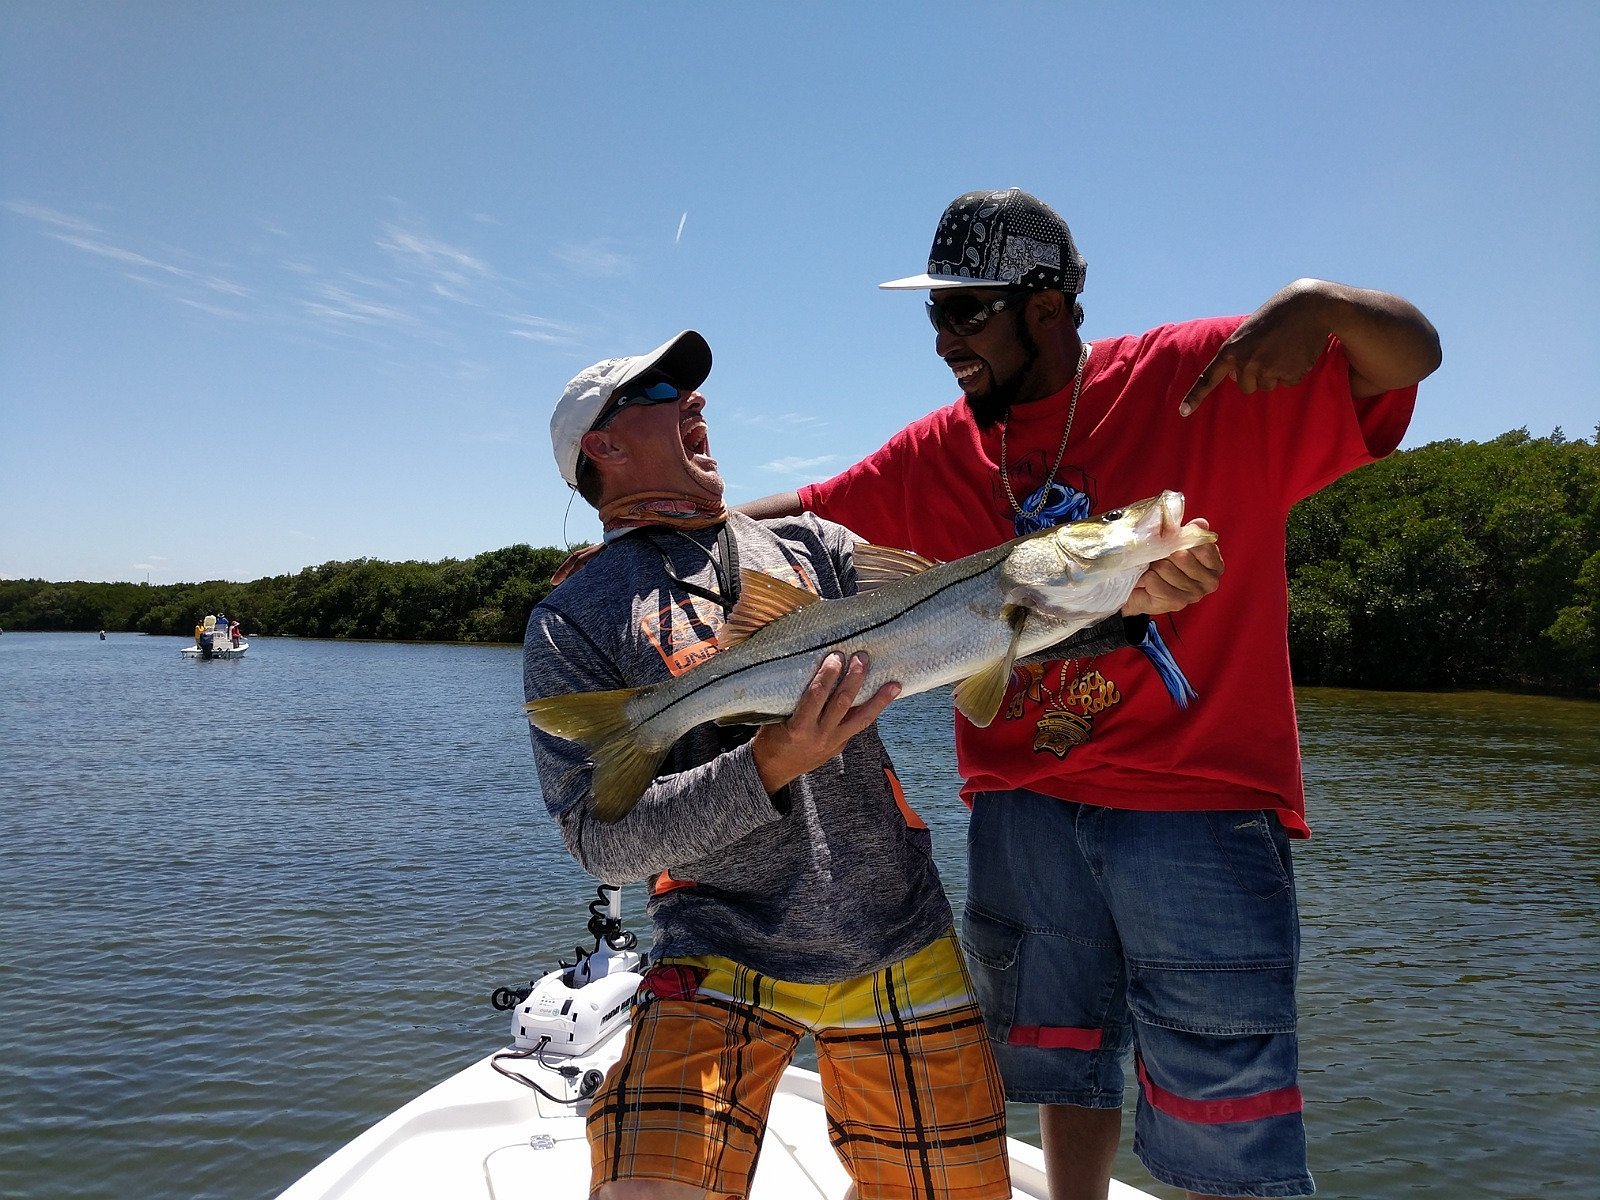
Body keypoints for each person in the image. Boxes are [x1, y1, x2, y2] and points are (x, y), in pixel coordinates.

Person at [744, 188, 1442, 1200]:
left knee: (1224, 1107)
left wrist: (1322, 305)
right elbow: (802, 511)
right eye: (931, 315)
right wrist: (658, 536)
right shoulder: (948, 447)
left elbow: (1409, 358)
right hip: (1022, 806)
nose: (942, 340)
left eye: (963, 313)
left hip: (1196, 807)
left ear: (1049, 306)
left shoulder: (1197, 377)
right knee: (1059, 1060)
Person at [529, 329, 1130, 1200]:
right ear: (604, 447)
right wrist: (767, 763)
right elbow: (602, 843)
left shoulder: (816, 549)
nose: (696, 402)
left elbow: (966, 628)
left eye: (694, 392)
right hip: (717, 948)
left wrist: (1124, 598)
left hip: (897, 933)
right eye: (663, 396)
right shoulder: (570, 617)